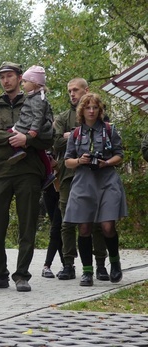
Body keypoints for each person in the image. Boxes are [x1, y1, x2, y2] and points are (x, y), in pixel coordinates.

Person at [0, 62, 53, 292]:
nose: (6, 80)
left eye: (10, 76)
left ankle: (22, 276)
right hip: (0, 170)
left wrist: (27, 140)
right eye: (2, 77)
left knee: (27, 224)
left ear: (20, 78)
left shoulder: (36, 99)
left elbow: (49, 134)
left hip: (28, 170)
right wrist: (13, 137)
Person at [64, 93, 127, 286]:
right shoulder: (75, 134)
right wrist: (80, 160)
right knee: (84, 227)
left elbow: (119, 155)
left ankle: (114, 263)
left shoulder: (109, 130)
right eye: (88, 108)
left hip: (106, 179)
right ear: (81, 111)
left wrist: (105, 162)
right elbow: (68, 161)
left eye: (95, 108)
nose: (91, 111)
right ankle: (87, 271)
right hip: (83, 181)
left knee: (107, 225)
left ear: (100, 110)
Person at [53, 78, 109, 281]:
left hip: (96, 176)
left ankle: (101, 264)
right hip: (69, 176)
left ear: (86, 90)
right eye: (69, 91)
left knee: (96, 221)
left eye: (75, 90)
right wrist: (73, 135)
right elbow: (55, 142)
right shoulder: (63, 117)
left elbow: (108, 141)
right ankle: (68, 264)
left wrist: (72, 136)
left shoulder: (100, 114)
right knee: (68, 221)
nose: (72, 94)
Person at [7, 65, 55, 189]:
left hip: (28, 127)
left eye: (25, 82)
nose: (23, 84)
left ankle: (19, 150)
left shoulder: (38, 99)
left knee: (10, 132)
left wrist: (33, 131)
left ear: (34, 83)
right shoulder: (35, 96)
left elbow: (38, 116)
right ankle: (49, 173)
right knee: (41, 152)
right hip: (29, 126)